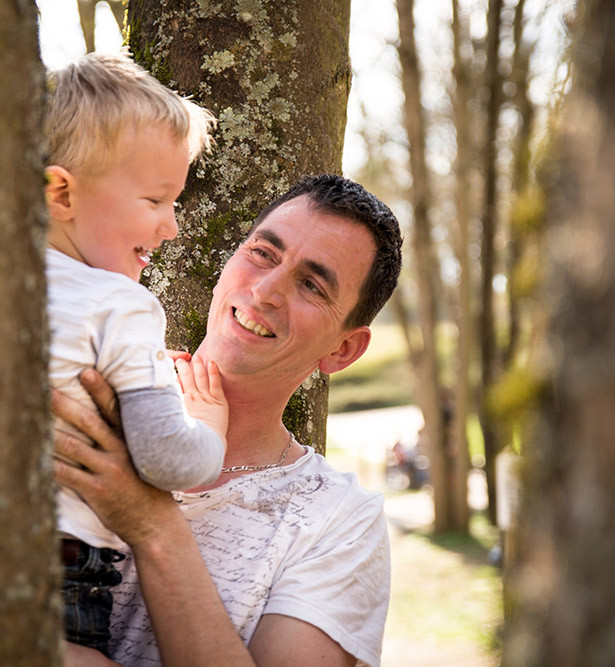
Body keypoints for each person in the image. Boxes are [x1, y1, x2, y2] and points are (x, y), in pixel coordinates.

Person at [52, 174, 403, 667]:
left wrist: (150, 523)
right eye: (263, 253)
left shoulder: (339, 524)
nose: (265, 291)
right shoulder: (83, 381)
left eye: (311, 284)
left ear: (343, 349)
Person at [43, 52, 226, 656]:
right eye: (155, 201)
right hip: (59, 571)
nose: (171, 228)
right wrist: (207, 427)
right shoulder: (118, 302)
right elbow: (166, 458)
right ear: (61, 193)